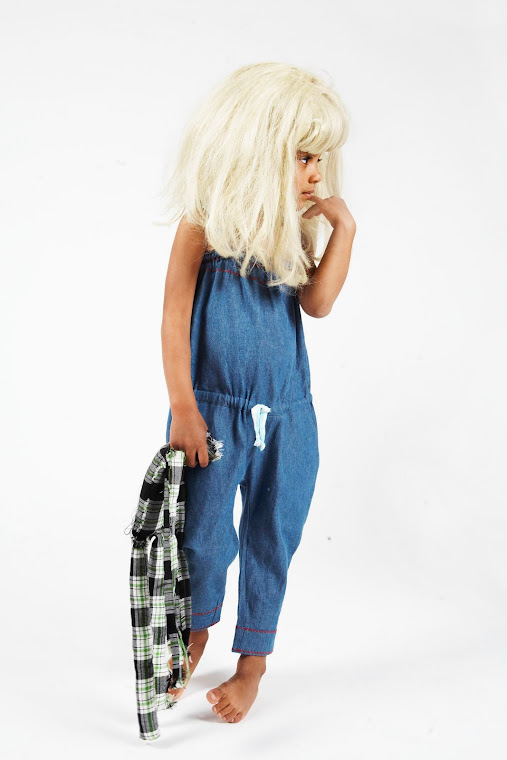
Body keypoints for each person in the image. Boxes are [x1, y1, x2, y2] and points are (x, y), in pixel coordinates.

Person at [159, 62, 356, 724]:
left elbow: (319, 304)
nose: (315, 174)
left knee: (274, 535)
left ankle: (252, 665)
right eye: (302, 157)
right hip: (212, 412)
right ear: (255, 147)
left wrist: (343, 231)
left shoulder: (291, 234)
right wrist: (183, 407)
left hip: (288, 416)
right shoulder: (204, 224)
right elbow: (173, 316)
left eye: (319, 159)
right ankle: (193, 636)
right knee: (202, 535)